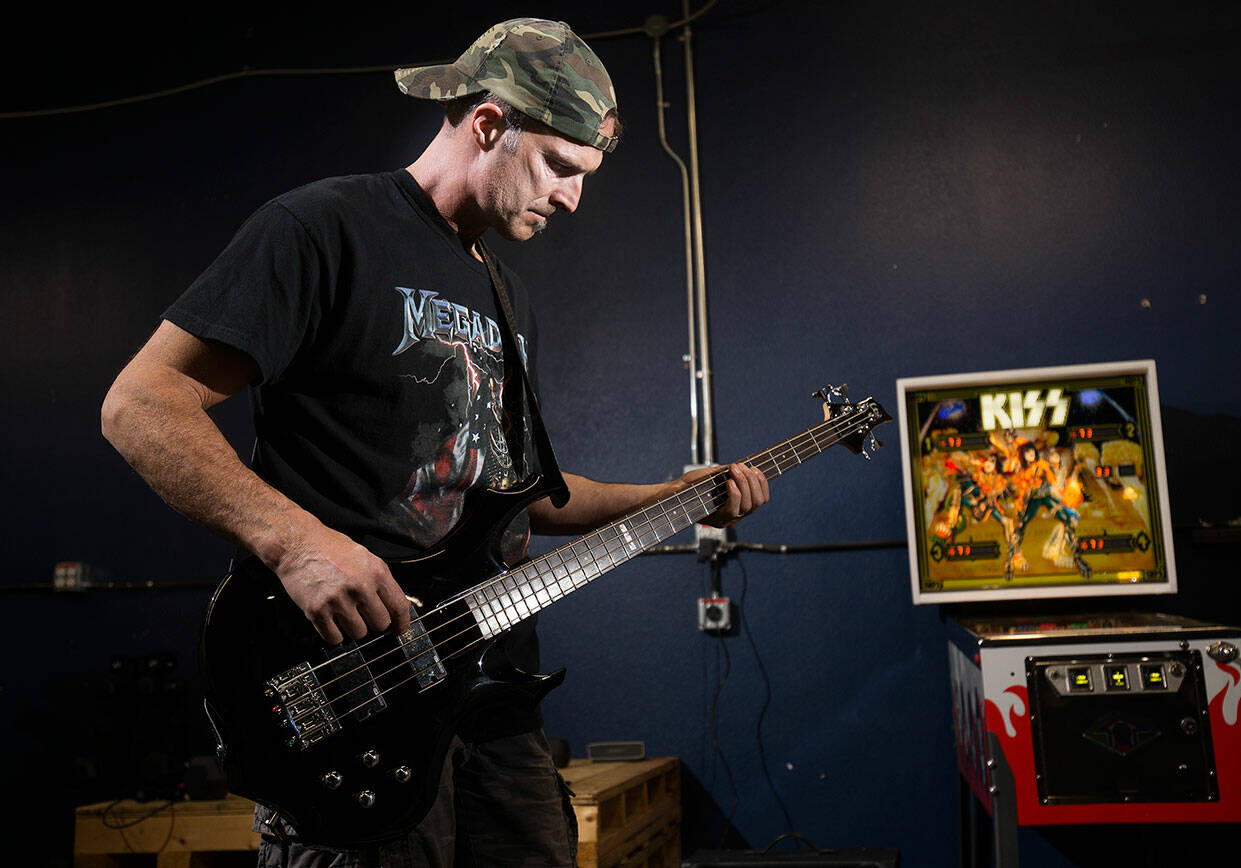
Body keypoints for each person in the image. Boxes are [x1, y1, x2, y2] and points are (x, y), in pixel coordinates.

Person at [100, 17, 768, 868]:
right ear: (489, 124)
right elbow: (140, 403)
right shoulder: (324, 229)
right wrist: (297, 544)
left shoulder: (506, 293)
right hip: (354, 691)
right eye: (560, 167)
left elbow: (525, 496)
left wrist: (679, 494)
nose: (571, 197)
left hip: (491, 701)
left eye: (584, 175)